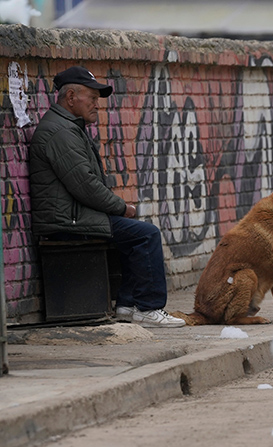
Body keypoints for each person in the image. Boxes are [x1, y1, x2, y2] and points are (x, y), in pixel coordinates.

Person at [28, 66, 185, 328]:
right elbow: (86, 186)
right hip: (68, 221)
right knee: (146, 234)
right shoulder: (60, 133)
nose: (96, 105)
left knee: (133, 234)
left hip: (74, 215)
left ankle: (126, 304)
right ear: (70, 97)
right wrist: (122, 207)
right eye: (91, 98)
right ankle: (149, 307)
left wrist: (117, 209)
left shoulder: (67, 127)